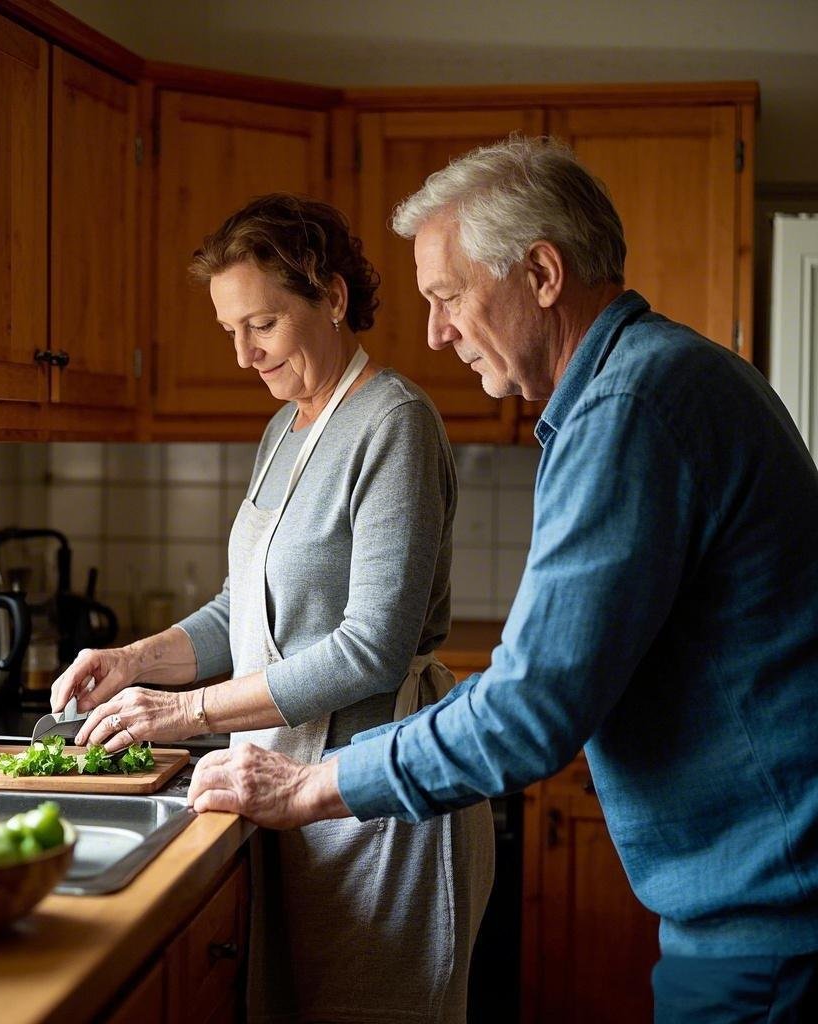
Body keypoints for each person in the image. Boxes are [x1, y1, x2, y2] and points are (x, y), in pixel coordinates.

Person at [187, 139, 818, 1023]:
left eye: (449, 297)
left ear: (542, 274)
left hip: (771, 917)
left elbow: (531, 708)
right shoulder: (648, 381)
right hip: (760, 901)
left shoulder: (628, 407)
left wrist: (306, 789)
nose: (438, 331)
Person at [50, 194, 495, 1023]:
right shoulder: (285, 427)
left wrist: (184, 710)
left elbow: (370, 647)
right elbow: (237, 612)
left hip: (375, 804)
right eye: (230, 331)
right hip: (279, 784)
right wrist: (134, 664)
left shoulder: (392, 423)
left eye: (261, 324)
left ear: (329, 296)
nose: (245, 355)